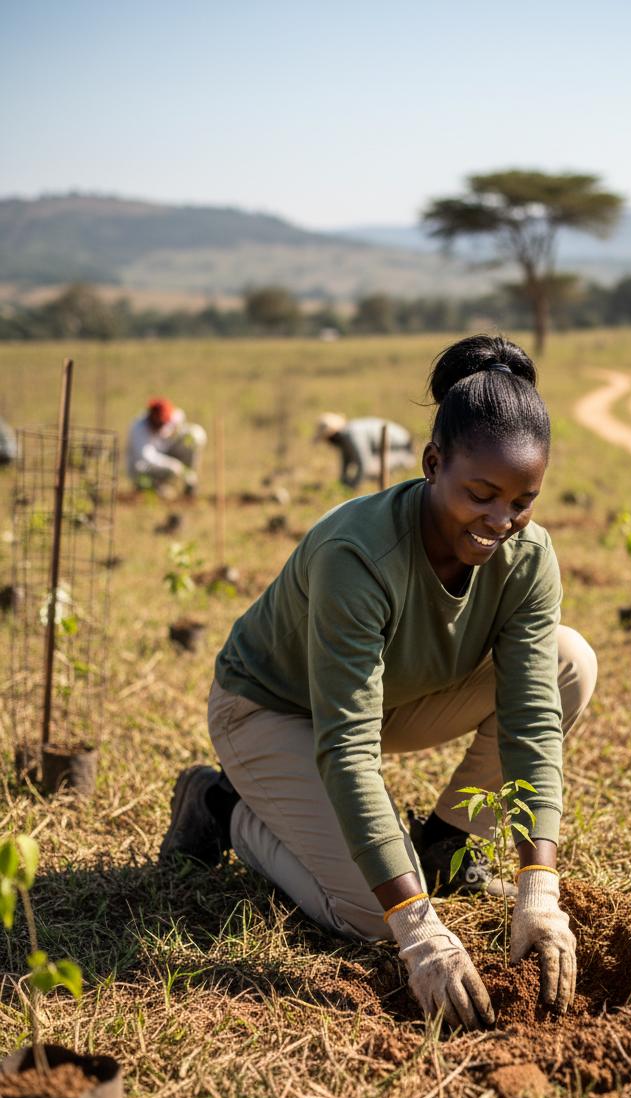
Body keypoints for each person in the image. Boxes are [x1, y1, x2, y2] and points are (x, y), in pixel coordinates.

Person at [161, 335, 598, 1030]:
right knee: (374, 914)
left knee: (569, 660)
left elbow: (532, 718)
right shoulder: (358, 555)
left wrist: (538, 886)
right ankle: (225, 808)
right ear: (432, 465)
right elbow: (347, 747)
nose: (500, 521)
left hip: (386, 699)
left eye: (523, 500)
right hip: (274, 709)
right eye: (481, 495)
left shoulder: (526, 556)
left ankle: (447, 843)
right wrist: (418, 926)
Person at [126, 398, 207, 495]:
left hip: (167, 454)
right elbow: (147, 457)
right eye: (159, 422)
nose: (162, 425)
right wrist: (173, 465)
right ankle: (152, 485)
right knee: (165, 494)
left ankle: (190, 482)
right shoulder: (139, 428)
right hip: (144, 468)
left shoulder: (175, 418)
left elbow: (196, 434)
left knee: (193, 437)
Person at [314, 413, 415, 488]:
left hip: (403, 450)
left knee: (370, 470)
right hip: (386, 449)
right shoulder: (346, 435)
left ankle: (405, 463)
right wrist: (342, 481)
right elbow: (346, 460)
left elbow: (364, 464)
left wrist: (352, 486)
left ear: (333, 435)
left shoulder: (352, 435)